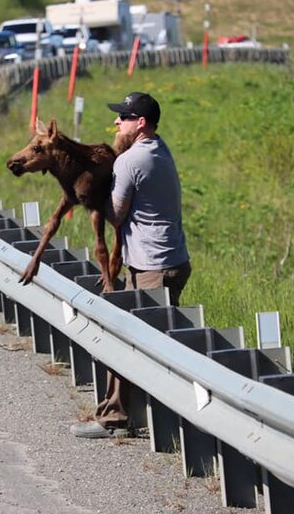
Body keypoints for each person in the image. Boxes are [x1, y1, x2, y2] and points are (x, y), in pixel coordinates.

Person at [70, 91, 191, 439]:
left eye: (122, 117)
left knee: (136, 344)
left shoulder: (130, 161)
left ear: (140, 123)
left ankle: (129, 420)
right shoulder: (159, 148)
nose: (115, 122)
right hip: (167, 260)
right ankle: (119, 417)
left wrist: (91, 195)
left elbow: (117, 214)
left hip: (153, 267)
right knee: (131, 339)